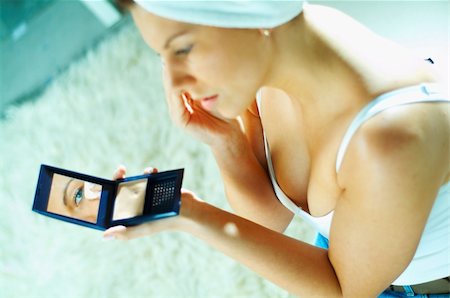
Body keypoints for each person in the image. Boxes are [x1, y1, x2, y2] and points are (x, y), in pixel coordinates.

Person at [104, 1, 450, 297]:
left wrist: (191, 215)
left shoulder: (387, 140)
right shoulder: (276, 55)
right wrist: (226, 142)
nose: (176, 83)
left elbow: (343, 288)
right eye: (164, 57)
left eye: (183, 49)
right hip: (354, 248)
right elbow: (267, 222)